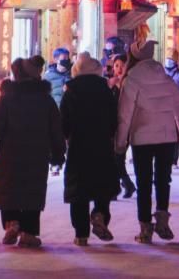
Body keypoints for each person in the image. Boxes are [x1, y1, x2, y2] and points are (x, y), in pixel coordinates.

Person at [0, 58, 65, 248]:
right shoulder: (46, 100)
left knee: (9, 189)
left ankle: (11, 222)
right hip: (37, 156)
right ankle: (29, 232)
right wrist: (58, 152)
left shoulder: (7, 99)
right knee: (32, 192)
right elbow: (56, 129)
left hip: (9, 154)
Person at [116, 40, 179, 243]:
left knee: (144, 183)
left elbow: (125, 114)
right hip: (167, 138)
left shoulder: (132, 80)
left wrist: (121, 141)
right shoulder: (165, 78)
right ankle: (162, 219)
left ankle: (145, 227)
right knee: (163, 180)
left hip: (141, 139)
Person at [61, 53, 119, 246]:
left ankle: (81, 233)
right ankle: (100, 215)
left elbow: (64, 122)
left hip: (78, 146)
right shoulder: (105, 91)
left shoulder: (70, 91)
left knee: (79, 190)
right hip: (102, 145)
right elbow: (114, 119)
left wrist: (64, 139)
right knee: (102, 185)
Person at [107, 54, 135, 198]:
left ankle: (119, 186)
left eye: (122, 65)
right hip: (112, 125)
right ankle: (124, 185)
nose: (118, 69)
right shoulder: (110, 85)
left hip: (126, 126)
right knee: (115, 157)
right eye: (116, 65)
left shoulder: (130, 84)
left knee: (117, 157)